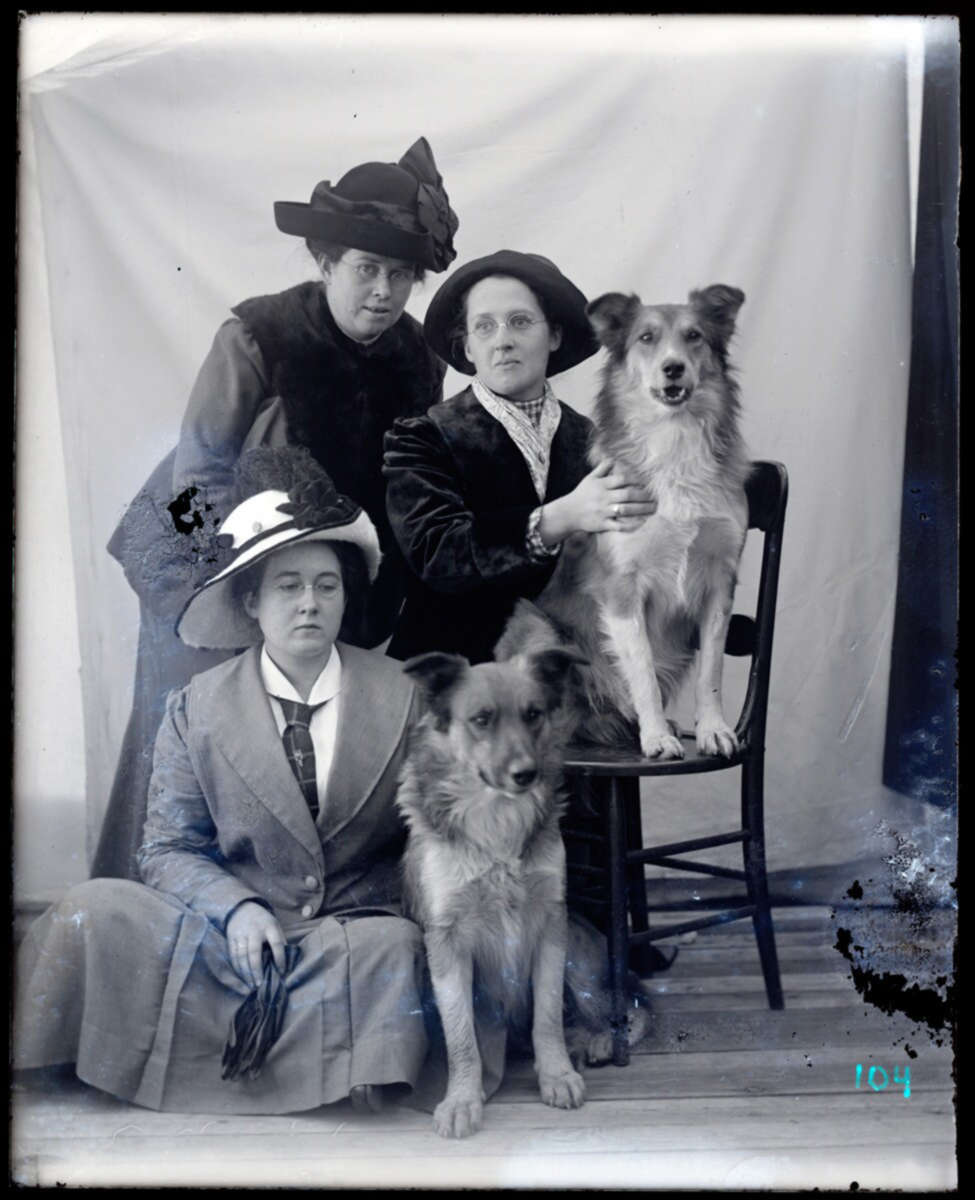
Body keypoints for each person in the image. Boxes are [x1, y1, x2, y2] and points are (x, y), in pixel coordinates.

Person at [14, 449, 430, 1115]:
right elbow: (166, 849)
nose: (309, 604)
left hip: (347, 935)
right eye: (288, 586)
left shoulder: (402, 695)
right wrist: (235, 907)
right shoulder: (197, 706)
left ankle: (341, 1066)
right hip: (230, 935)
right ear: (251, 603)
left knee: (391, 950)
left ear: (346, 597)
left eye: (326, 585)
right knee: (93, 911)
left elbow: (432, 834)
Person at [94, 137, 458, 881]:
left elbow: (409, 479)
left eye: (399, 275)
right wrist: (244, 584)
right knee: (201, 729)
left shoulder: (420, 357)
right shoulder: (257, 335)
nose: (383, 292)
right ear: (325, 263)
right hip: (207, 559)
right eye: (365, 270)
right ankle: (159, 904)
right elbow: (197, 475)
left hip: (326, 572)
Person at [382, 249, 655, 665]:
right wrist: (561, 516)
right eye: (484, 327)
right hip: (453, 679)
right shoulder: (422, 439)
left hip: (563, 684)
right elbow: (439, 555)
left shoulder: (591, 439)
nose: (503, 340)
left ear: (555, 336)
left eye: (520, 322)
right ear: (468, 348)